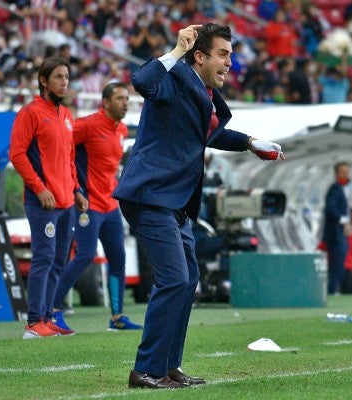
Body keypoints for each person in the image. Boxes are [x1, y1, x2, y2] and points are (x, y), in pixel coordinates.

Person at [113, 23, 284, 389]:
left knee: (188, 280)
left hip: (175, 200)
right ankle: (144, 370)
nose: (230, 62)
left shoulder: (201, 92)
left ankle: (168, 366)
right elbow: (142, 81)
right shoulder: (174, 77)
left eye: (232, 54)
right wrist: (176, 51)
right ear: (200, 56)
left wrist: (251, 143)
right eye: (223, 54)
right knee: (175, 278)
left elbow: (211, 133)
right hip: (150, 194)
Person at [52, 82, 143, 332]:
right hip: (87, 204)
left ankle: (117, 318)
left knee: (118, 259)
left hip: (110, 205)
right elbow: (62, 148)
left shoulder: (122, 129)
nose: (125, 102)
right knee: (85, 255)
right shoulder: (88, 125)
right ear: (105, 102)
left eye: (127, 98)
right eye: (120, 98)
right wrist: (75, 188)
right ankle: (53, 309)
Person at [9, 56, 89, 339]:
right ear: (43, 81)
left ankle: (46, 317)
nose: (64, 82)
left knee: (58, 261)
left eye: (66, 77)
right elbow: (16, 154)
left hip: (67, 202)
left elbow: (69, 158)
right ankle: (33, 323)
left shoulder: (66, 115)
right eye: (58, 77)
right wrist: (39, 188)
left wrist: (77, 190)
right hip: (43, 202)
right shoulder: (30, 113)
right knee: (43, 259)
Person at [322, 161, 352, 295]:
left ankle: (333, 289)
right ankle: (331, 290)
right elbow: (330, 209)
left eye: (347, 172)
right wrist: (344, 220)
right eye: (343, 172)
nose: (346, 175)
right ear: (336, 174)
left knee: (340, 262)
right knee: (337, 263)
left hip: (339, 232)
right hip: (335, 234)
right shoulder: (335, 188)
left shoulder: (342, 189)